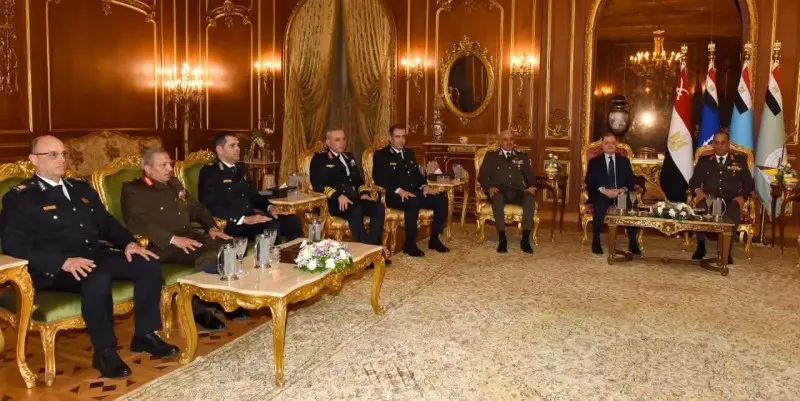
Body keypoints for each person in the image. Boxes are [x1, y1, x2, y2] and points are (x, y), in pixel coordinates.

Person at [0, 135, 177, 379]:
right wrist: (62, 262)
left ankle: (144, 335)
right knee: (97, 278)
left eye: (63, 154)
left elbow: (106, 223)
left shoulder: (79, 188)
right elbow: (14, 245)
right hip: (55, 268)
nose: (61, 159)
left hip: (93, 255)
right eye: (52, 155)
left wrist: (129, 243)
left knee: (147, 263)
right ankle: (105, 352)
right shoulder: (21, 197)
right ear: (33, 160)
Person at [121, 147, 232, 332]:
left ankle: (222, 300)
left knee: (231, 245)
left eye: (170, 164)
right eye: (163, 165)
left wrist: (211, 227)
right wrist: (173, 239)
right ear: (148, 169)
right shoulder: (134, 190)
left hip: (190, 236)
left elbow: (196, 208)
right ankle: (198, 311)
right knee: (210, 254)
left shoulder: (174, 184)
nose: (169, 169)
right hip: (164, 245)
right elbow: (136, 223)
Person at [198, 132, 303, 242]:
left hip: (252, 218)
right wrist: (243, 219)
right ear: (220, 149)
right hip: (233, 223)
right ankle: (273, 253)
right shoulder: (210, 172)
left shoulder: (241, 168)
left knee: (292, 220)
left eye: (238, 145)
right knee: (272, 226)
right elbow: (209, 205)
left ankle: (293, 252)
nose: (238, 148)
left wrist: (270, 208)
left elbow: (254, 195)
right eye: (232, 146)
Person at [372, 125, 449, 256]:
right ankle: (410, 244)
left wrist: (425, 187)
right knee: (412, 202)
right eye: (397, 137)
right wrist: (399, 190)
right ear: (390, 138)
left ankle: (434, 240)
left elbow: (417, 175)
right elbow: (379, 179)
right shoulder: (382, 155)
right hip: (394, 195)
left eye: (403, 137)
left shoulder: (409, 153)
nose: (401, 140)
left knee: (441, 199)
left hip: (414, 193)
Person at [310, 128, 385, 247]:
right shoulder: (320, 159)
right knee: (356, 210)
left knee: (378, 208)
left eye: (344, 139)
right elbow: (319, 185)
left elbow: (357, 180)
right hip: (334, 202)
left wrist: (364, 194)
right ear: (328, 142)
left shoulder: (348, 157)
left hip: (353, 199)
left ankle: (373, 247)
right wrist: (338, 196)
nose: (342, 143)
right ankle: (364, 248)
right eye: (337, 140)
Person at [689, 130, 754, 263]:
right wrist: (698, 190)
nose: (719, 146)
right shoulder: (704, 161)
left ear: (728, 144)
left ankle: (727, 250)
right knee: (700, 209)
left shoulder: (739, 161)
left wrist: (743, 196)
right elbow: (694, 181)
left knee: (733, 212)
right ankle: (700, 246)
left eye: (722, 143)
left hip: (731, 199)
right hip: (709, 199)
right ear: (713, 144)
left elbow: (749, 183)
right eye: (716, 143)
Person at [478, 130, 537, 254]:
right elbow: (482, 176)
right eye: (505, 139)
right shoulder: (491, 156)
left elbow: (529, 175)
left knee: (530, 198)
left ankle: (525, 239)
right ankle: (502, 239)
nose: (509, 142)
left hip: (518, 191)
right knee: (497, 198)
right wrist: (489, 188)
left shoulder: (521, 156)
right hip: (500, 191)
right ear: (500, 142)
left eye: (511, 139)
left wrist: (532, 186)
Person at [585, 132, 641, 256]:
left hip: (620, 194)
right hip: (602, 194)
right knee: (600, 204)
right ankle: (596, 240)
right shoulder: (595, 162)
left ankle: (633, 242)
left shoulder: (624, 161)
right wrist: (603, 190)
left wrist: (622, 190)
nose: (610, 145)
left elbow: (631, 181)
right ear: (602, 145)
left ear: (616, 145)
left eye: (612, 143)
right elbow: (589, 181)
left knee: (630, 204)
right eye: (607, 143)